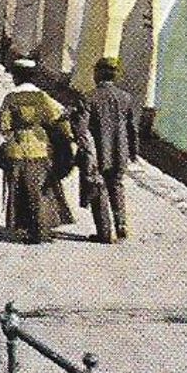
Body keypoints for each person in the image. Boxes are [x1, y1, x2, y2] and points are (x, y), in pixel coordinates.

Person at [0, 60, 74, 244]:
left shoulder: (11, 98)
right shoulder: (42, 97)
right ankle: (40, 228)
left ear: (17, 77)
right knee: (38, 190)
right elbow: (58, 119)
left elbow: (3, 126)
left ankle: (24, 228)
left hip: (16, 150)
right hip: (39, 149)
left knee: (19, 190)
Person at [76, 58, 136, 243]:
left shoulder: (89, 97)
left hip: (98, 153)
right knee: (117, 187)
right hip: (120, 153)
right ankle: (121, 225)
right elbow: (132, 128)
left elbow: (81, 128)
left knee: (99, 188)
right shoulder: (126, 98)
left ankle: (105, 232)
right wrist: (133, 151)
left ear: (98, 73)